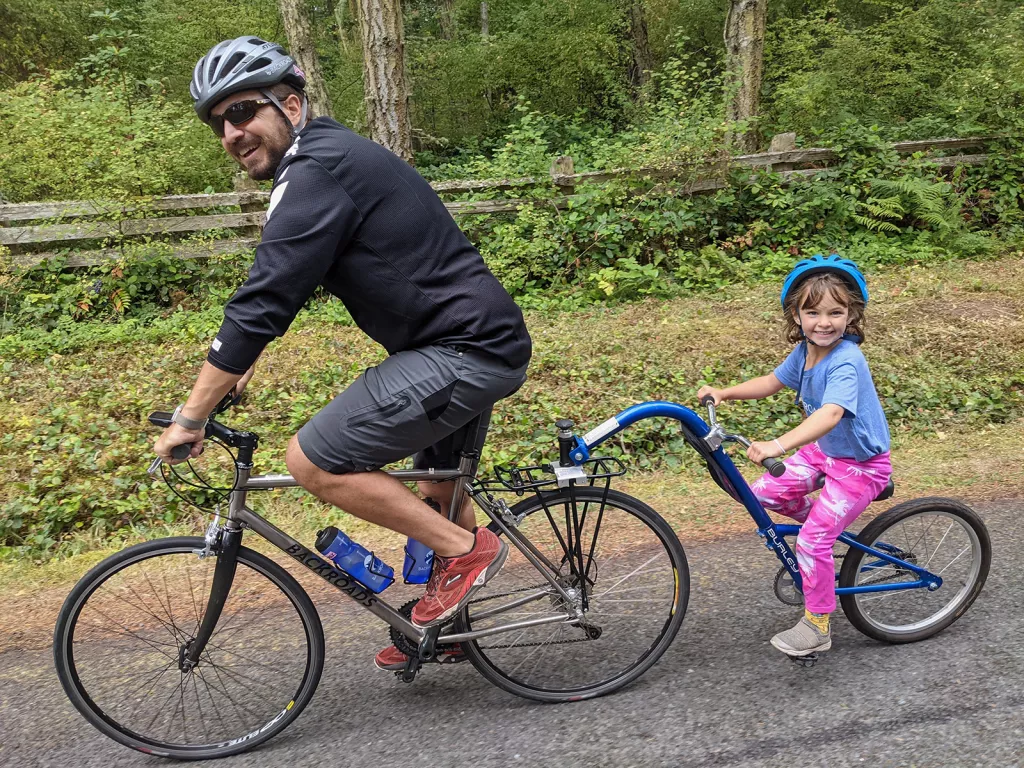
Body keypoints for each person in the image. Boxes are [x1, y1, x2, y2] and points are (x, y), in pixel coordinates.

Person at [153, 37, 532, 670]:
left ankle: (470, 554)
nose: (231, 131)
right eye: (218, 122)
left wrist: (191, 416)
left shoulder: (316, 169)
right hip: (463, 344)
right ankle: (450, 634)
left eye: (243, 111)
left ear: (291, 105)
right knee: (437, 491)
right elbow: (293, 283)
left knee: (314, 459)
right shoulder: (324, 163)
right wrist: (242, 364)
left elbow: (262, 298)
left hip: (465, 349)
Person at [697, 254, 892, 657]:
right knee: (762, 495)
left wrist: (778, 444)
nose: (824, 322)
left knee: (811, 540)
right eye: (813, 312)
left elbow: (831, 413)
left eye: (836, 312)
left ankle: (818, 624)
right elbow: (771, 381)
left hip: (860, 466)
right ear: (796, 315)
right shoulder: (805, 352)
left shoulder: (846, 362)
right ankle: (825, 535)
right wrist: (725, 392)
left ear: (851, 315)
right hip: (827, 453)